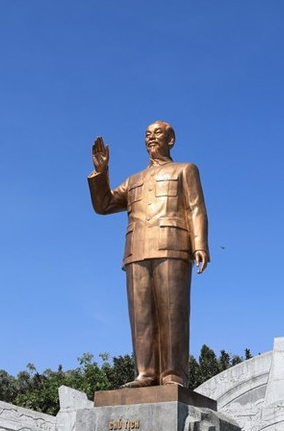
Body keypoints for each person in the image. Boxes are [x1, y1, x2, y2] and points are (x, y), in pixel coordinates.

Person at [88, 121, 209, 388]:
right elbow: (104, 204)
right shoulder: (134, 180)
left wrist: (199, 244)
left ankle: (173, 375)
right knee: (140, 316)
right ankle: (145, 373)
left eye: (157, 133)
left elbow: (196, 207)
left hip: (173, 245)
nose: (151, 138)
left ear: (171, 139)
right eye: (147, 135)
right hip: (136, 250)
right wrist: (101, 172)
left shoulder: (184, 170)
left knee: (172, 314)